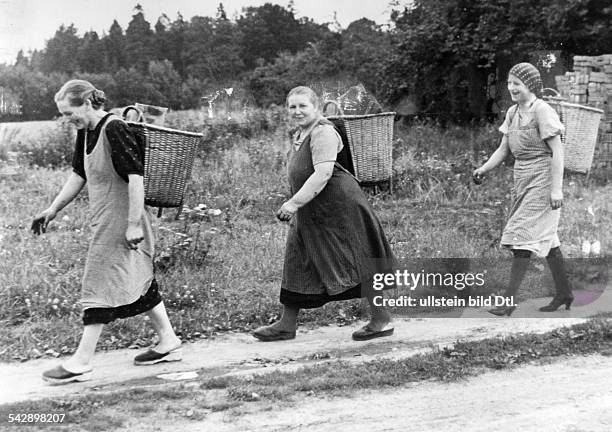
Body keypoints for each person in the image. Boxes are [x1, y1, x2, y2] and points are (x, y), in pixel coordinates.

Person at [32, 79, 182, 385]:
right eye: (62, 114)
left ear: (87, 103)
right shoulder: (85, 132)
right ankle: (168, 339)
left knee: (97, 283)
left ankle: (81, 361)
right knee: (139, 278)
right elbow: (79, 175)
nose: (66, 118)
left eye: (68, 111)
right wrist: (53, 209)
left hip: (123, 220)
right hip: (104, 219)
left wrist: (133, 224)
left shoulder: (115, 128)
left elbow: (136, 178)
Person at [252, 86, 395, 341]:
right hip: (313, 211)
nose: (297, 111)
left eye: (303, 106)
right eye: (292, 107)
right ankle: (287, 324)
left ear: (316, 107)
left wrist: (292, 204)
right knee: (297, 260)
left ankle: (381, 319)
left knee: (358, 259)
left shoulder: (323, 132)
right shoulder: (300, 133)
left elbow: (323, 173)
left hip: (340, 210)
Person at [473, 63, 573, 316]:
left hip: (543, 177)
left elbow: (558, 152)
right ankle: (564, 293)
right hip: (523, 179)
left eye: (517, 83)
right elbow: (503, 149)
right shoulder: (512, 112)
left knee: (521, 237)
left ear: (531, 85)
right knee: (548, 240)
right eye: (509, 83)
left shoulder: (543, 111)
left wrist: (556, 189)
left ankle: (509, 301)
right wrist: (483, 169)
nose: (512, 88)